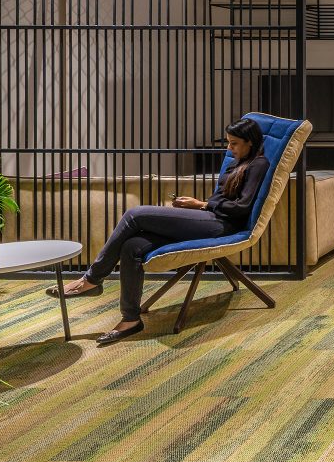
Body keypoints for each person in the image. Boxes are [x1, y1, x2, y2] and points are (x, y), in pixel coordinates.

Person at [47, 118, 270, 344]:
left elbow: (241, 208)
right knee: (132, 246)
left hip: (221, 225)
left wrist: (200, 204)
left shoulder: (258, 164)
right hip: (209, 217)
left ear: (249, 143)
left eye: (234, 144)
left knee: (136, 214)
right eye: (228, 143)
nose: (228, 148)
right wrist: (198, 205)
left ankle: (92, 279)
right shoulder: (237, 162)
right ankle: (131, 319)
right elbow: (222, 198)